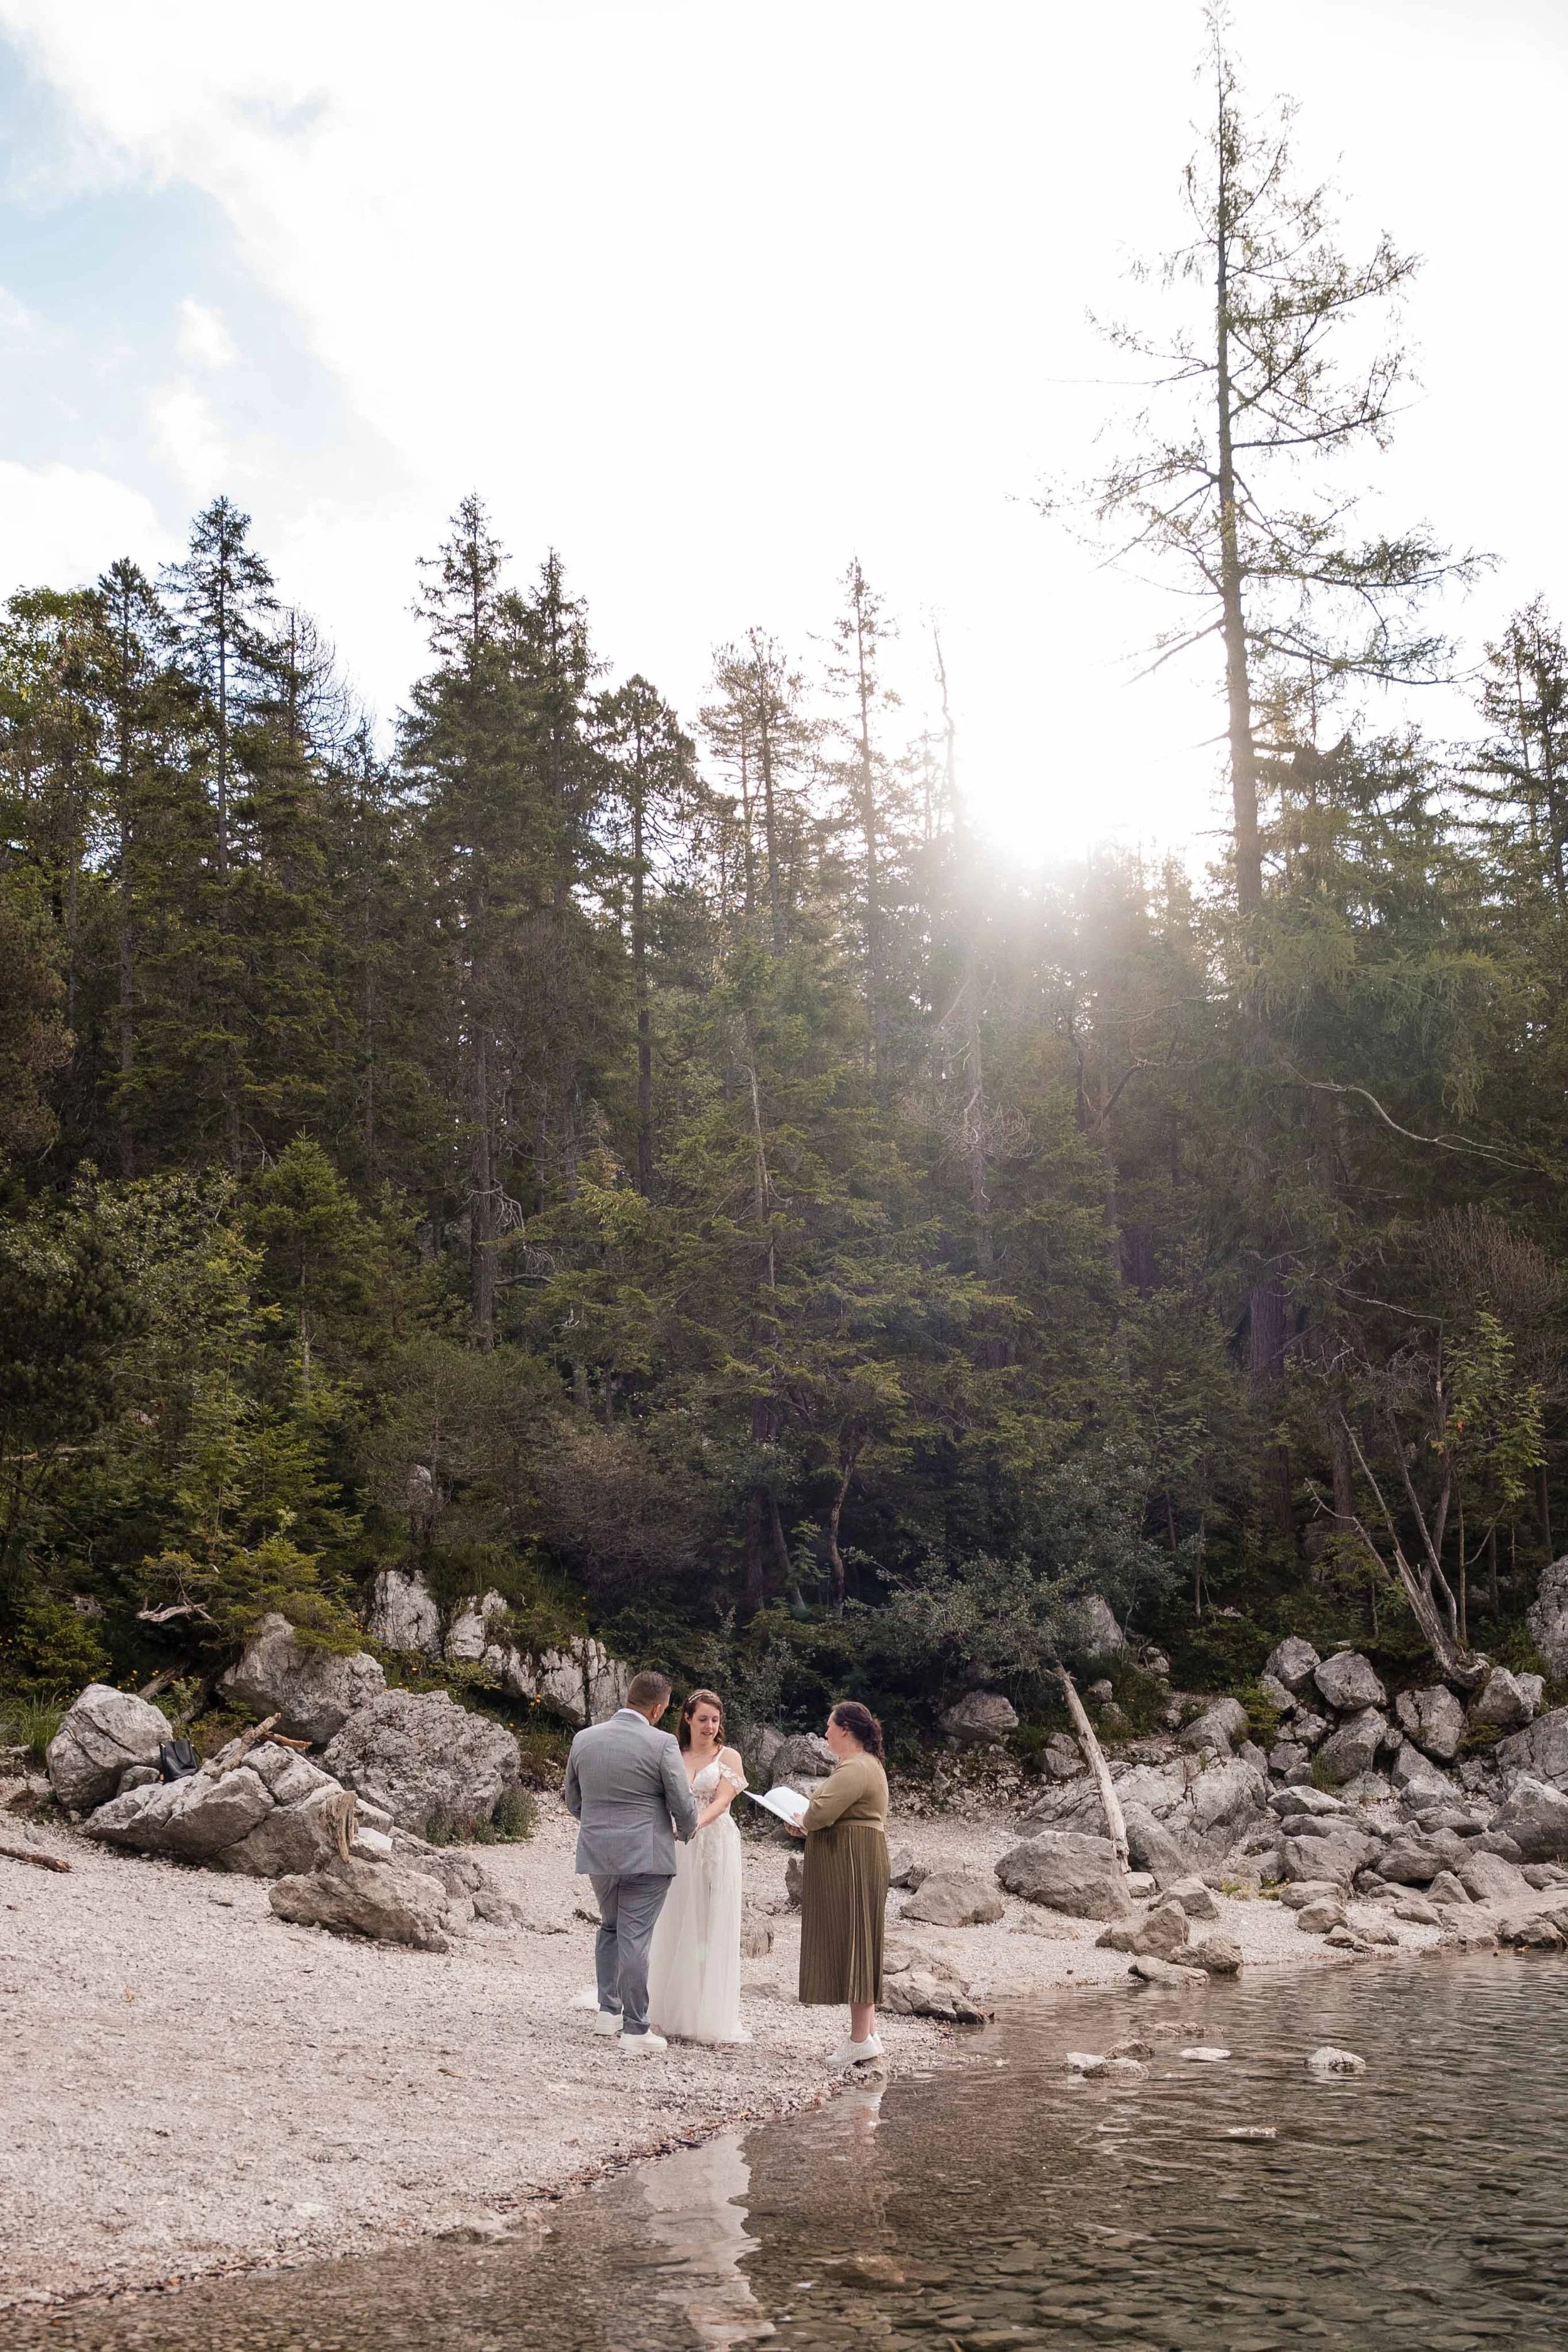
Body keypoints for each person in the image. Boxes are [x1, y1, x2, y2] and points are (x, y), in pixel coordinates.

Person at [563, 1668, 698, 2055]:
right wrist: (686, 1831)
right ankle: (636, 2028)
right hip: (646, 1854)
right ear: (657, 1709)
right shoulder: (662, 1744)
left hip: (598, 1853)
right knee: (636, 1937)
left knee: (610, 1927)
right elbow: (682, 1803)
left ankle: (609, 2011)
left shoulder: (584, 1739)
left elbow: (574, 1800)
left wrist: (600, 1826)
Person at [790, 1698, 891, 2068]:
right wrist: (806, 1821)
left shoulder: (856, 1768)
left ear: (845, 1729)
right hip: (857, 1856)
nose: (826, 1732)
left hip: (855, 1860)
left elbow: (819, 1813)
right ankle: (868, 2034)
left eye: (830, 1725)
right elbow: (825, 1816)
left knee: (857, 1941)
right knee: (859, 1939)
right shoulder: (865, 1766)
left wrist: (804, 1817)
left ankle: (859, 2039)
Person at [647, 1687, 750, 2044]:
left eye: (715, 1720)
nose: (709, 1726)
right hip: (675, 1842)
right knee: (673, 1917)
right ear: (688, 1719)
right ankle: (668, 2004)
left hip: (713, 1843)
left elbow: (722, 1801)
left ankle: (705, 2009)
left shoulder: (729, 1757)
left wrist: (694, 1824)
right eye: (703, 1719)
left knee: (708, 1920)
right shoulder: (673, 1752)